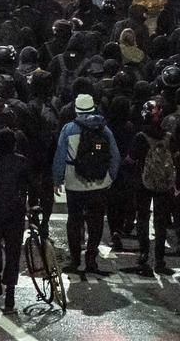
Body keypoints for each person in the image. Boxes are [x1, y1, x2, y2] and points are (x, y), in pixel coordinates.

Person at [53, 93, 121, 274]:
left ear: (76, 109)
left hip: (75, 183)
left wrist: (57, 179)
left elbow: (60, 156)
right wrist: (110, 177)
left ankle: (75, 259)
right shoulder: (104, 130)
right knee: (96, 222)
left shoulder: (68, 129)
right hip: (99, 184)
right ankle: (91, 259)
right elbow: (115, 156)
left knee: (74, 221)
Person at [0, 127, 29, 312]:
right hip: (16, 209)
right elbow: (31, 185)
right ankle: (10, 295)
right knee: (13, 251)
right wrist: (32, 204)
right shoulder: (22, 162)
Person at [127, 98, 177, 274]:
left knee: (142, 218)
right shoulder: (168, 137)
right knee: (161, 222)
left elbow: (131, 160)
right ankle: (160, 260)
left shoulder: (140, 137)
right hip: (164, 183)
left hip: (143, 182)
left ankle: (144, 256)